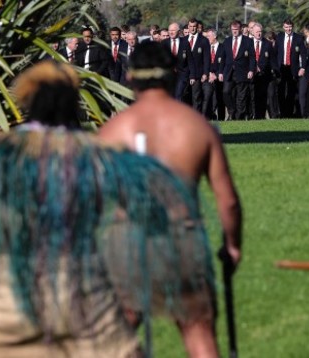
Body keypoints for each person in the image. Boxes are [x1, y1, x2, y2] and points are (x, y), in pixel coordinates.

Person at [0, 61, 202, 358]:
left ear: (28, 101)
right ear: (74, 102)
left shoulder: (0, 153)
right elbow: (150, 216)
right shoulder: (102, 156)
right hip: (88, 296)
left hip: (13, 294)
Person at [98, 42, 242, 357]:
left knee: (116, 338)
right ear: (173, 76)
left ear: (131, 78)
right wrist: (232, 244)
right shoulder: (197, 127)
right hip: (182, 240)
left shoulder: (111, 131)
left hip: (128, 242)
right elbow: (227, 200)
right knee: (198, 332)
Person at [219, 20, 256, 120]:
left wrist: (251, 70)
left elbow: (252, 57)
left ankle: (238, 117)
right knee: (226, 92)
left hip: (242, 72)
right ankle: (232, 111)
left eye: (236, 29)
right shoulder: (227, 41)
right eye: (232, 30)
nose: (234, 31)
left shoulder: (248, 41)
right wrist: (220, 72)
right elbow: (223, 58)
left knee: (241, 96)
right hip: (229, 72)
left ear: (240, 29)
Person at [276, 18, 306, 118]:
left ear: (292, 27)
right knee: (280, 92)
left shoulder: (298, 38)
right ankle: (282, 112)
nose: (288, 29)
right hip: (281, 68)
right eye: (286, 27)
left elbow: (303, 54)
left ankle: (288, 113)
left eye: (290, 27)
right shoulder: (279, 37)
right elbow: (275, 53)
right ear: (283, 27)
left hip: (293, 69)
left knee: (291, 92)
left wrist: (303, 68)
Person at [162, 22, 196, 101]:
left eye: (173, 30)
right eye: (169, 30)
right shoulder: (164, 43)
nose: (171, 32)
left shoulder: (185, 43)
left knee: (178, 95)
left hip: (182, 74)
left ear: (179, 31)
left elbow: (190, 60)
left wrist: (192, 76)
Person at [250, 23, 276, 119]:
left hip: (264, 74)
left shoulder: (267, 44)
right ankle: (252, 114)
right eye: (257, 32)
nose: (259, 34)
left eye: (260, 32)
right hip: (251, 74)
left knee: (262, 96)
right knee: (252, 96)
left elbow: (272, 60)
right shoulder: (248, 43)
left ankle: (260, 116)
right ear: (252, 32)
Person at [185, 18, 211, 114]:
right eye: (190, 26)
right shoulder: (183, 40)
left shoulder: (203, 41)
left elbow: (207, 59)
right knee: (185, 96)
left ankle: (196, 117)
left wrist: (205, 73)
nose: (192, 29)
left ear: (197, 27)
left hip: (198, 73)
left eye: (194, 26)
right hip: (185, 73)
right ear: (188, 27)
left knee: (196, 96)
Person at [203, 28, 226, 121]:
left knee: (220, 99)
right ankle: (208, 116)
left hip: (219, 78)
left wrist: (216, 75)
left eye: (208, 36)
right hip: (208, 77)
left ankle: (221, 118)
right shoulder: (205, 48)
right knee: (207, 97)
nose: (207, 39)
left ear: (215, 36)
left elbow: (224, 63)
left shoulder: (223, 48)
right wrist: (209, 73)